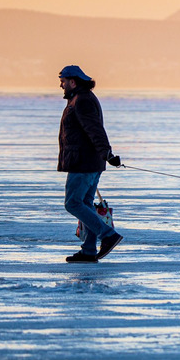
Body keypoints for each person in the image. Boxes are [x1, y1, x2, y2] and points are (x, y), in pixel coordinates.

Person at [58, 65, 123, 263]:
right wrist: (105, 154)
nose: (61, 85)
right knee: (85, 203)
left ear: (73, 81)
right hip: (90, 161)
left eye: (63, 80)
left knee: (73, 203)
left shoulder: (82, 100)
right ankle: (88, 251)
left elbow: (94, 129)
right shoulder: (80, 98)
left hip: (83, 162)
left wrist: (107, 153)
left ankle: (108, 235)